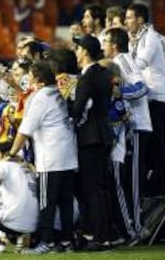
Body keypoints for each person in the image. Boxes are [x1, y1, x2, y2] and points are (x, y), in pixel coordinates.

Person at [9, 61, 77, 254]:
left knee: (46, 202)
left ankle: (45, 242)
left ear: (37, 78)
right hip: (67, 155)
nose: (27, 79)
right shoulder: (56, 93)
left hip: (51, 158)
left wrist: (11, 153)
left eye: (29, 75)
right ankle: (66, 242)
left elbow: (25, 130)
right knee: (65, 203)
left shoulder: (41, 97)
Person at [103, 27, 153, 237]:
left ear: (114, 45)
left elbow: (142, 88)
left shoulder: (123, 60)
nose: (103, 45)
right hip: (131, 127)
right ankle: (132, 225)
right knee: (127, 179)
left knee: (132, 180)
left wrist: (119, 91)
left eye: (106, 41)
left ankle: (138, 229)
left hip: (138, 126)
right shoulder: (119, 61)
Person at [125, 3, 165, 197]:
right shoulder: (134, 40)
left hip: (161, 95)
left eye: (129, 17)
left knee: (159, 141)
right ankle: (150, 183)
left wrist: (120, 63)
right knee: (151, 142)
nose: (126, 21)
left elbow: (140, 62)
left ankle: (160, 185)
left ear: (140, 19)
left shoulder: (152, 38)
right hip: (148, 96)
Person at [71, 34, 114, 250]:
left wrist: (61, 104)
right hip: (102, 135)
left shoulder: (87, 78)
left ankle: (98, 237)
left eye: (77, 49)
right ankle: (98, 234)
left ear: (85, 52)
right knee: (99, 188)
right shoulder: (104, 73)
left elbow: (77, 111)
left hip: (90, 138)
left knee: (91, 189)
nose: (75, 53)